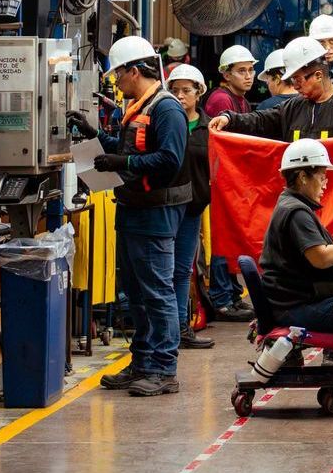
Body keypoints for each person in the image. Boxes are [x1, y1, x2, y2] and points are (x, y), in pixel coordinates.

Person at [78, 36, 191, 397]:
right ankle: (143, 362)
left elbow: (169, 161)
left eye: (118, 74)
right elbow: (130, 150)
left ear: (134, 70)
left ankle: (164, 368)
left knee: (157, 292)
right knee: (138, 293)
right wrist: (96, 138)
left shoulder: (166, 109)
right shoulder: (138, 106)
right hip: (133, 210)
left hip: (155, 214)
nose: (115, 82)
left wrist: (121, 162)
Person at [257, 138, 333, 414]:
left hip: (299, 301)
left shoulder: (292, 206)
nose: (325, 181)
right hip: (300, 307)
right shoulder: (296, 212)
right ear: (302, 176)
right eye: (321, 175)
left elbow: (323, 250)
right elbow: (321, 257)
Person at [209, 36, 333, 142]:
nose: (295, 85)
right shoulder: (292, 108)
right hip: (297, 198)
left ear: (318, 76)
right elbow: (259, 119)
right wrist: (229, 118)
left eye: (298, 79)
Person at [165, 64, 219, 349]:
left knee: (183, 269)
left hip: (193, 208)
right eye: (174, 90)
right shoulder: (164, 122)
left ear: (199, 92)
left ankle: (181, 329)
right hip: (166, 206)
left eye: (186, 90)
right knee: (164, 269)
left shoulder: (209, 128)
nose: (180, 95)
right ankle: (169, 331)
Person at [204, 45, 256, 120]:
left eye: (250, 70)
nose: (248, 76)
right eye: (242, 71)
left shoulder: (245, 102)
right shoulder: (222, 99)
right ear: (227, 76)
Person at [255, 47, 300, 112]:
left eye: (267, 79)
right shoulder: (307, 102)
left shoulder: (266, 107)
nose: (267, 83)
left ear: (277, 79)